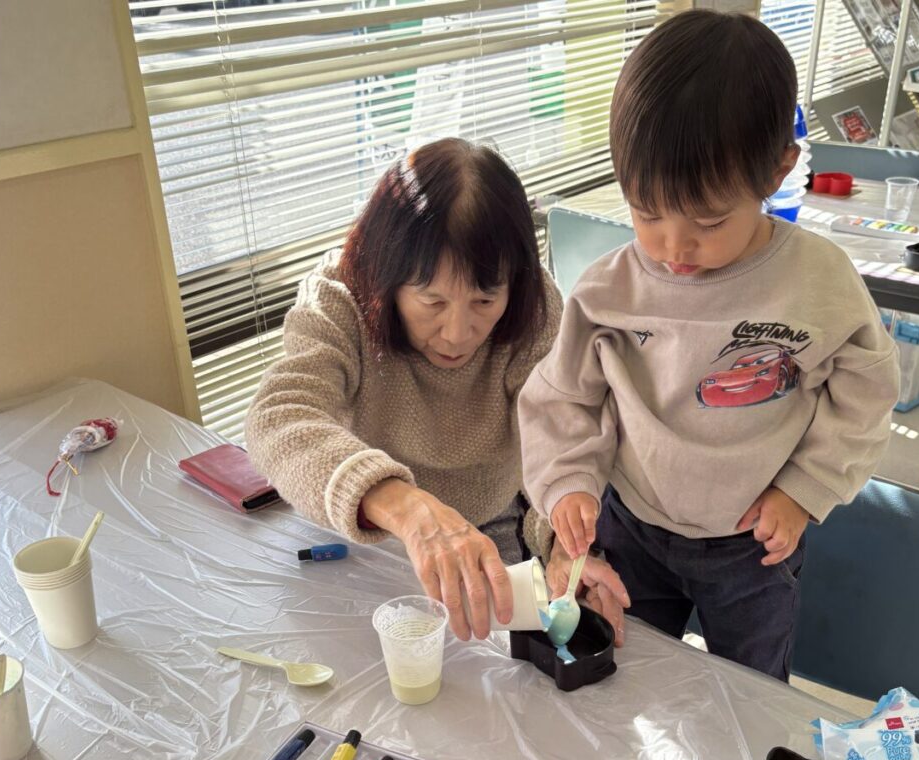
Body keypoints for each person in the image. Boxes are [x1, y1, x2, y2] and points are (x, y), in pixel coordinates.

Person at [518, 10, 899, 680]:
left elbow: (866, 394)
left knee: (750, 695)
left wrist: (805, 489)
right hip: (633, 526)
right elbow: (562, 400)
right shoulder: (610, 290)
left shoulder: (818, 282)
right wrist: (568, 484)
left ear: (778, 170)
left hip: (753, 544)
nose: (673, 246)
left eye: (709, 220)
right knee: (625, 679)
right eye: (646, 212)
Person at [245, 138, 630, 642]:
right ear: (386, 276)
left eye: (484, 301)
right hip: (362, 535)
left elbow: (556, 438)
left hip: (489, 531)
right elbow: (279, 415)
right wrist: (408, 509)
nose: (457, 333)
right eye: (432, 302)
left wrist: (563, 546)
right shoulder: (340, 296)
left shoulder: (535, 310)